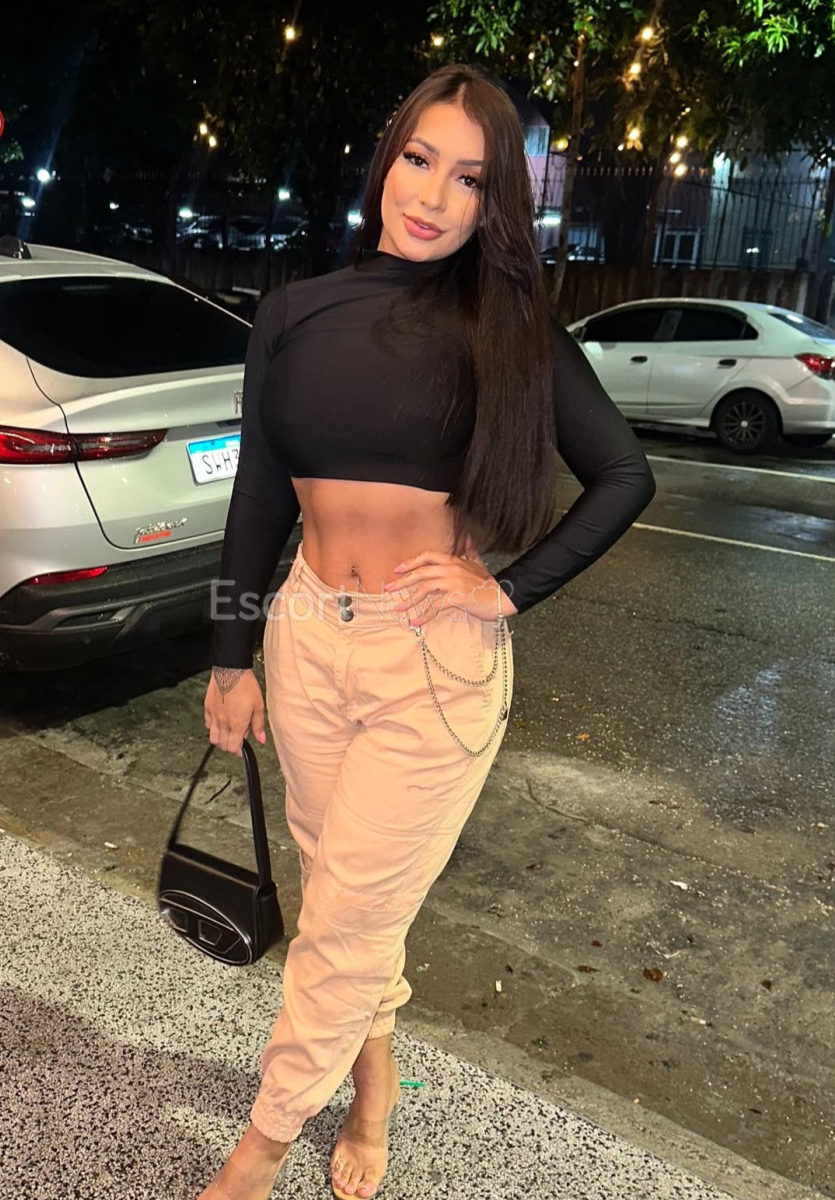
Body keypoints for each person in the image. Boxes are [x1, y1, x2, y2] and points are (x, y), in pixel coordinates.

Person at [199, 63, 655, 1200]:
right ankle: (374, 1083)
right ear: (387, 158)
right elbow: (257, 497)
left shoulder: (509, 325)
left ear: (497, 204)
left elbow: (623, 476)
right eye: (419, 160)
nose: (433, 196)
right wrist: (228, 655)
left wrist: (506, 592)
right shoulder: (293, 312)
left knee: (346, 917)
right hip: (307, 638)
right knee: (343, 896)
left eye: (470, 180)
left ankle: (258, 1152)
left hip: (430, 665)